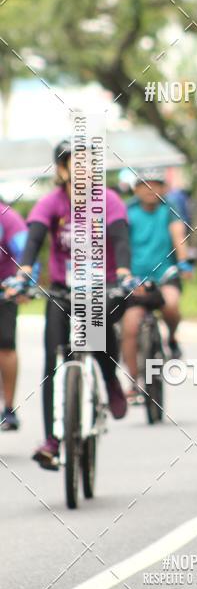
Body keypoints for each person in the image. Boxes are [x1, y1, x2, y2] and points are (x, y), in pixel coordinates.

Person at [4, 140, 134, 469]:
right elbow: (34, 238)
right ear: (62, 169)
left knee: (99, 332)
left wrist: (123, 272)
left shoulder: (109, 200)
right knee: (52, 360)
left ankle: (110, 379)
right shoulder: (51, 203)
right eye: (76, 163)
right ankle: (51, 440)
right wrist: (25, 270)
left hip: (101, 287)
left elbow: (120, 239)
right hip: (63, 290)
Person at [120, 169, 193, 395]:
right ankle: (134, 382)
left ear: (164, 188)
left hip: (165, 274)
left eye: (156, 185)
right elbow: (119, 242)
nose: (151, 190)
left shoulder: (169, 209)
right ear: (136, 189)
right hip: (135, 279)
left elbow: (178, 237)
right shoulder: (127, 211)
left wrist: (184, 262)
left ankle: (171, 339)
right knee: (129, 327)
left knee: (171, 305)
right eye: (145, 185)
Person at [0, 201, 32, 430]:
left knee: (6, 345)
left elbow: (25, 251)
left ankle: (9, 408)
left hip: (4, 288)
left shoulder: (7, 217)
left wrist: (25, 283)